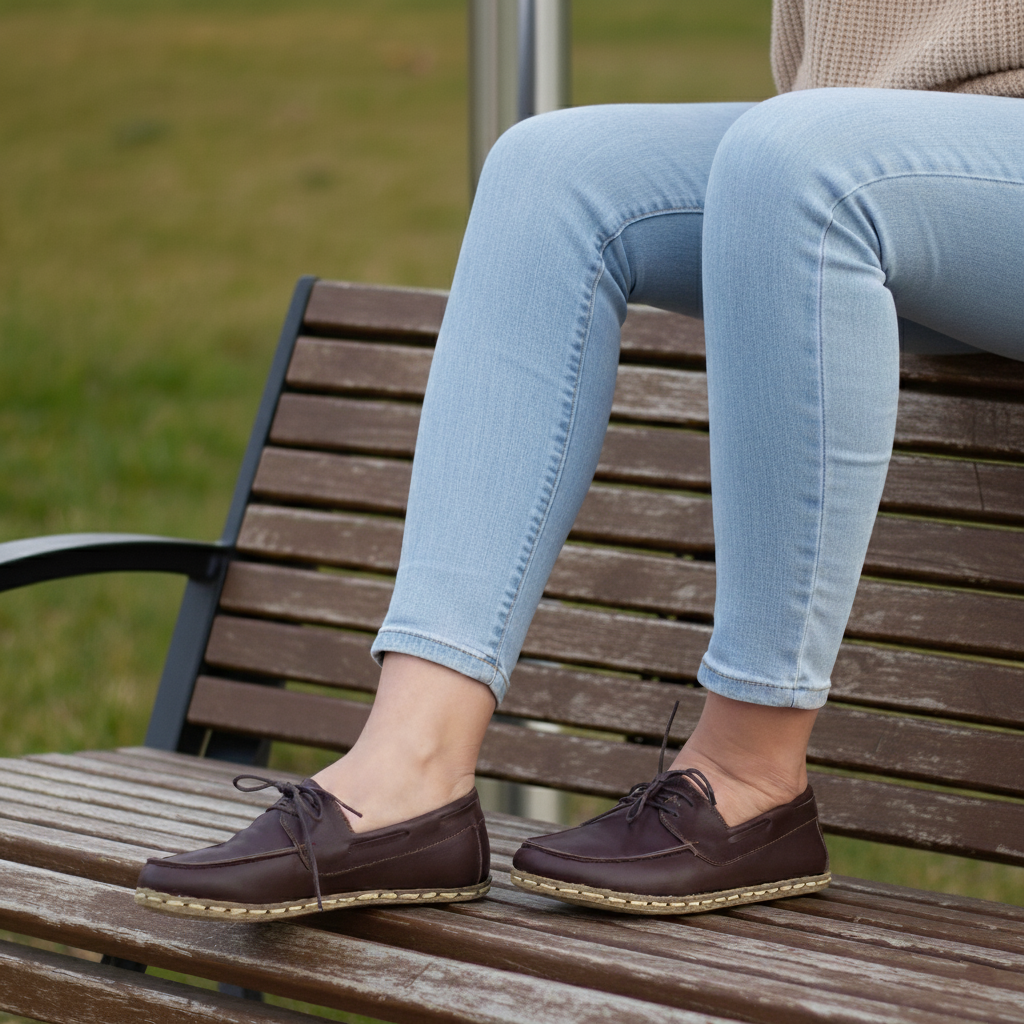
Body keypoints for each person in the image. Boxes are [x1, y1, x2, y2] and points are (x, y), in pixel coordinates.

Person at [135, 1, 1024, 920]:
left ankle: (751, 771)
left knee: (800, 163)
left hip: (866, 153)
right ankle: (409, 773)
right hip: (892, 130)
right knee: (549, 171)